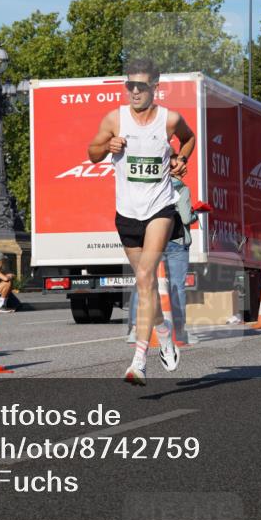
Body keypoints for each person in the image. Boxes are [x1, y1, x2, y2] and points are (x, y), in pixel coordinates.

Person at [88, 58, 195, 386]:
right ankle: (163, 331)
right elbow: (91, 152)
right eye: (129, 85)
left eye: (141, 86)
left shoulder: (169, 120)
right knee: (146, 283)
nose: (134, 91)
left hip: (160, 210)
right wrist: (107, 146)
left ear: (154, 86)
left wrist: (181, 159)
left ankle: (139, 360)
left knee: (147, 275)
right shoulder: (115, 119)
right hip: (127, 215)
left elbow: (188, 139)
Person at [127, 175, 197, 345]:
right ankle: (179, 331)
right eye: (181, 161)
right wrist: (195, 214)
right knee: (177, 287)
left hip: (154, 241)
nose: (184, 166)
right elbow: (187, 218)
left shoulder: (151, 187)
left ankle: (135, 330)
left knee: (144, 283)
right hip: (176, 243)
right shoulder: (181, 188)